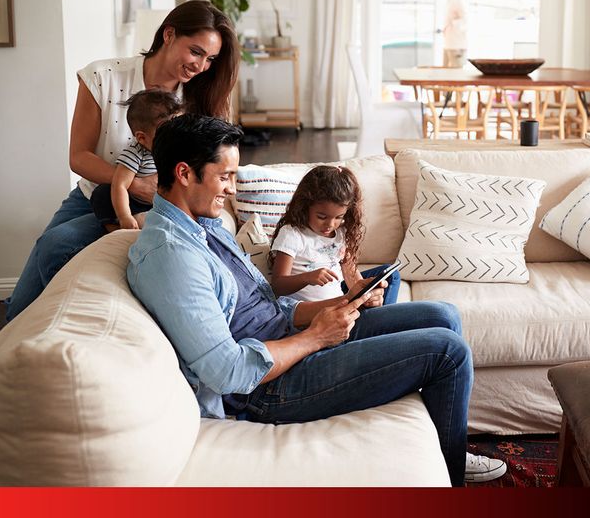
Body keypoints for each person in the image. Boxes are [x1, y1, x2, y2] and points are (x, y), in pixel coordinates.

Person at [126, 114, 507, 485]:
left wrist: (334, 307)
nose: (231, 189)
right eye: (224, 177)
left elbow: (269, 306)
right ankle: (454, 470)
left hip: (291, 340)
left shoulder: (204, 226)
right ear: (184, 173)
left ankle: (445, 444)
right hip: (265, 388)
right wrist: (316, 337)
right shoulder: (172, 256)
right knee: (447, 351)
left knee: (442, 315)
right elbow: (228, 373)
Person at [5, 0, 239, 322]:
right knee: (27, 291)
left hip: (156, 206)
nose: (201, 66)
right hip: (95, 193)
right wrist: (135, 183)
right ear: (168, 34)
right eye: (196, 52)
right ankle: (27, 333)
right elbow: (79, 156)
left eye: (211, 58)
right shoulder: (103, 76)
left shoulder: (199, 98)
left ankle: (61, 327)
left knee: (57, 245)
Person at [268, 165, 400, 305]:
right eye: (322, 217)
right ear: (305, 206)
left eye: (338, 217)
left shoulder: (340, 233)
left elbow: (351, 274)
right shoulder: (292, 234)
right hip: (316, 312)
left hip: (341, 303)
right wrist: (308, 277)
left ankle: (379, 316)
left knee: (391, 276)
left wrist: (365, 296)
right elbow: (278, 285)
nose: (330, 224)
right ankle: (381, 320)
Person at [90, 89, 182, 231]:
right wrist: (124, 216)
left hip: (161, 203)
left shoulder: (178, 151)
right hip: (134, 204)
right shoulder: (136, 154)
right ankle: (114, 227)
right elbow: (119, 185)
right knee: (103, 193)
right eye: (166, 133)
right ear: (142, 138)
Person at [443, 0, 468, 68]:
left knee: (456, 75)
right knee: (446, 75)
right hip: (449, 43)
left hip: (457, 45)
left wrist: (452, 25)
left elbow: (465, 19)